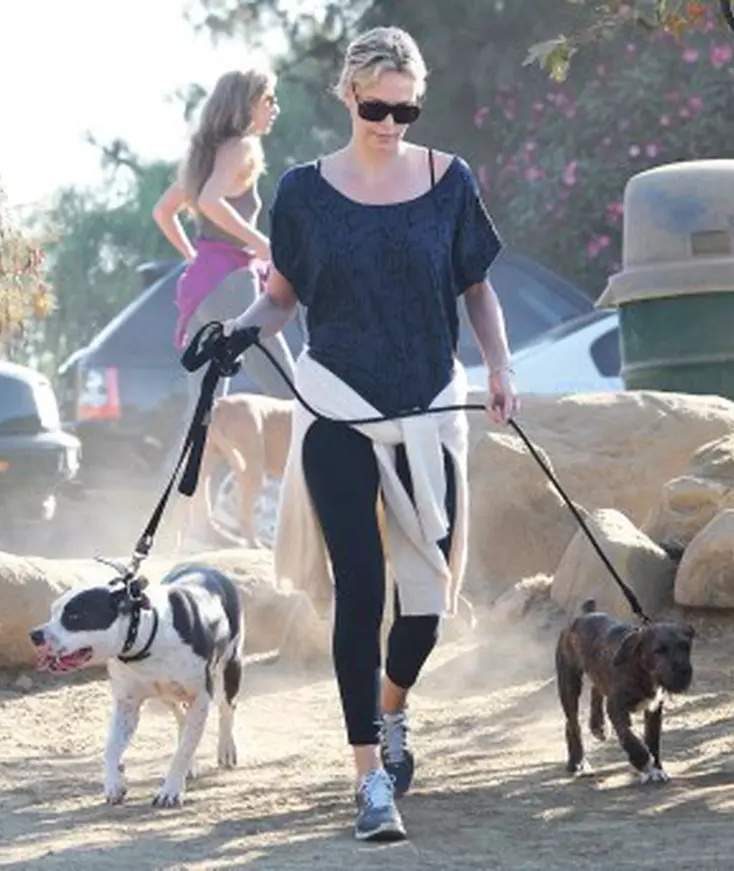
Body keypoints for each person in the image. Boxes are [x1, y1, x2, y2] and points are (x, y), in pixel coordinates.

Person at [225, 26, 518, 842]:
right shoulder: (303, 192)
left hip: (428, 401)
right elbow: (281, 296)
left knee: (424, 607)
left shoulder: (449, 180)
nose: (393, 121)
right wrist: (240, 330)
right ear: (349, 96)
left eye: (408, 106)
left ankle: (393, 708)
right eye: (379, 106)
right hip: (337, 404)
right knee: (361, 586)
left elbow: (477, 288)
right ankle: (369, 780)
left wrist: (500, 365)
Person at [152, 66, 296, 401]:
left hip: (203, 286)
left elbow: (163, 211)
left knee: (206, 408)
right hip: (231, 283)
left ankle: (190, 457)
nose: (275, 108)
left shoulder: (203, 158)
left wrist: (193, 258)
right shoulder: (242, 146)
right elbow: (210, 201)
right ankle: (310, 454)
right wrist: (262, 243)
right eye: (268, 100)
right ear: (247, 104)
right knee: (288, 393)